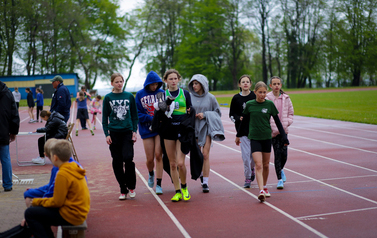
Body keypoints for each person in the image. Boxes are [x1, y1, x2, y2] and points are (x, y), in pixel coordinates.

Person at [236, 81, 289, 202]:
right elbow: (244, 122)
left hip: (266, 138)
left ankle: (265, 186)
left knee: (265, 165)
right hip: (254, 138)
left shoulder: (270, 105)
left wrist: (284, 137)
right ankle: (260, 190)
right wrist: (238, 135)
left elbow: (277, 121)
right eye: (260, 92)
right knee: (258, 164)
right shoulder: (250, 105)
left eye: (264, 92)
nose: (262, 94)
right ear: (255, 92)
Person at [24, 140, 90, 238]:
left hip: (71, 215)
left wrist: (36, 202)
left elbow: (57, 202)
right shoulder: (73, 166)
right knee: (39, 212)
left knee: (30, 213)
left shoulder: (62, 173)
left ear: (55, 157)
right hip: (78, 212)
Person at [102, 73, 138, 200]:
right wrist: (107, 134)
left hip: (127, 132)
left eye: (121, 81)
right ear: (112, 83)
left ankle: (131, 186)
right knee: (117, 162)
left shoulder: (129, 96)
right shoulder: (108, 98)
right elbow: (104, 117)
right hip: (114, 133)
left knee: (128, 159)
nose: (119, 84)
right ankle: (123, 189)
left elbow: (134, 115)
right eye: (116, 82)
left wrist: (134, 130)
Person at [159, 69, 192, 202]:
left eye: (175, 78)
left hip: (182, 128)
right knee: (172, 164)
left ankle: (184, 187)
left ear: (179, 79)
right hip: (168, 129)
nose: (173, 81)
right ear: (165, 80)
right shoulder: (162, 94)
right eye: (170, 79)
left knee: (180, 163)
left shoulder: (185, 93)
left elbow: (190, 109)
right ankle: (177, 191)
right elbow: (160, 111)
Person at [188, 74, 224, 193]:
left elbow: (218, 113)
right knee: (197, 155)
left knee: (205, 155)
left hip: (206, 128)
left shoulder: (211, 98)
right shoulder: (189, 96)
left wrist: (205, 115)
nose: (194, 86)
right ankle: (201, 174)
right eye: (193, 83)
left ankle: (205, 182)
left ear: (203, 84)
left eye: (196, 83)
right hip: (194, 129)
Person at [25, 138, 85, 208]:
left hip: (70, 208)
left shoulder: (60, 171)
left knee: (30, 207)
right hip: (79, 205)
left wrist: (39, 201)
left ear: (54, 157)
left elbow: (55, 197)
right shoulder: (75, 165)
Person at [135, 71, 165, 195]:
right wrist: (149, 118)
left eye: (157, 84)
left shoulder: (162, 93)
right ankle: (151, 173)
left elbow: (166, 109)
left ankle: (159, 183)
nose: (154, 87)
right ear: (148, 84)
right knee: (150, 158)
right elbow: (137, 113)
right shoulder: (140, 94)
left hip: (159, 129)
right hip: (146, 129)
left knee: (158, 155)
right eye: (152, 84)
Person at [266, 76, 294, 189]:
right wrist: (270, 127)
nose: (276, 86)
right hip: (273, 132)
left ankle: (281, 169)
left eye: (278, 83)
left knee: (284, 155)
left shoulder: (286, 98)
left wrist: (287, 122)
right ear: (271, 86)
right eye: (274, 84)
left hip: (284, 131)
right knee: (277, 155)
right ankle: (279, 179)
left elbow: (291, 113)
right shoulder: (267, 98)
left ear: (281, 85)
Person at [229, 75, 256, 188]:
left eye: (247, 82)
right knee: (245, 156)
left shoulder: (254, 96)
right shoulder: (236, 98)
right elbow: (231, 114)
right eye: (243, 82)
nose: (245, 83)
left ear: (250, 84)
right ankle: (248, 177)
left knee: (253, 156)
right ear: (239, 85)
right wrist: (238, 118)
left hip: (254, 130)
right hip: (242, 131)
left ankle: (252, 168)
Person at [0, 80, 20, 192]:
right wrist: (14, 132)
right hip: (3, 131)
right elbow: (14, 114)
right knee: (5, 159)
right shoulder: (8, 93)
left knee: (6, 158)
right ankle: (7, 184)